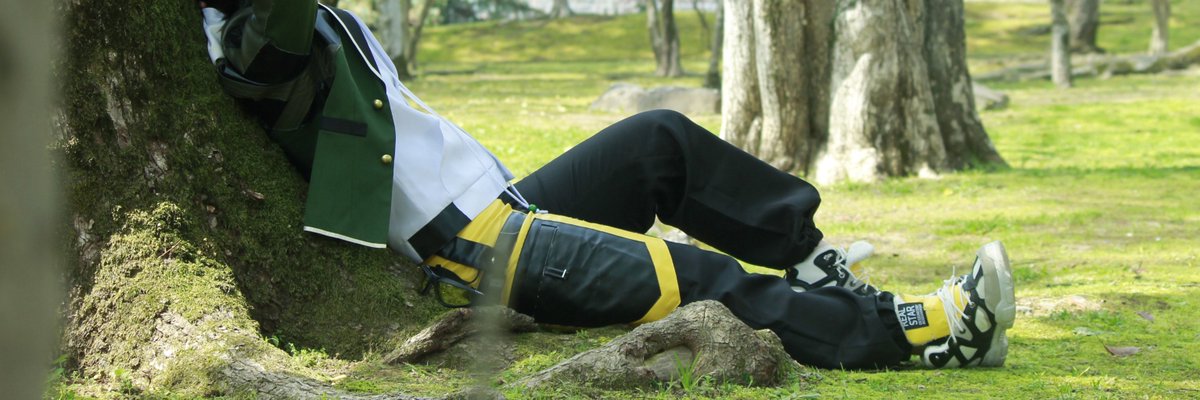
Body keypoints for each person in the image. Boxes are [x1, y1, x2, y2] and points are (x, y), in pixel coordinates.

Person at [198, 0, 1016, 369]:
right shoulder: (239, 44)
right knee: (701, 280)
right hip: (469, 253)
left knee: (658, 140)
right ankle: (924, 335)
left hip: (509, 207)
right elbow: (276, 37)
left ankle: (815, 265)